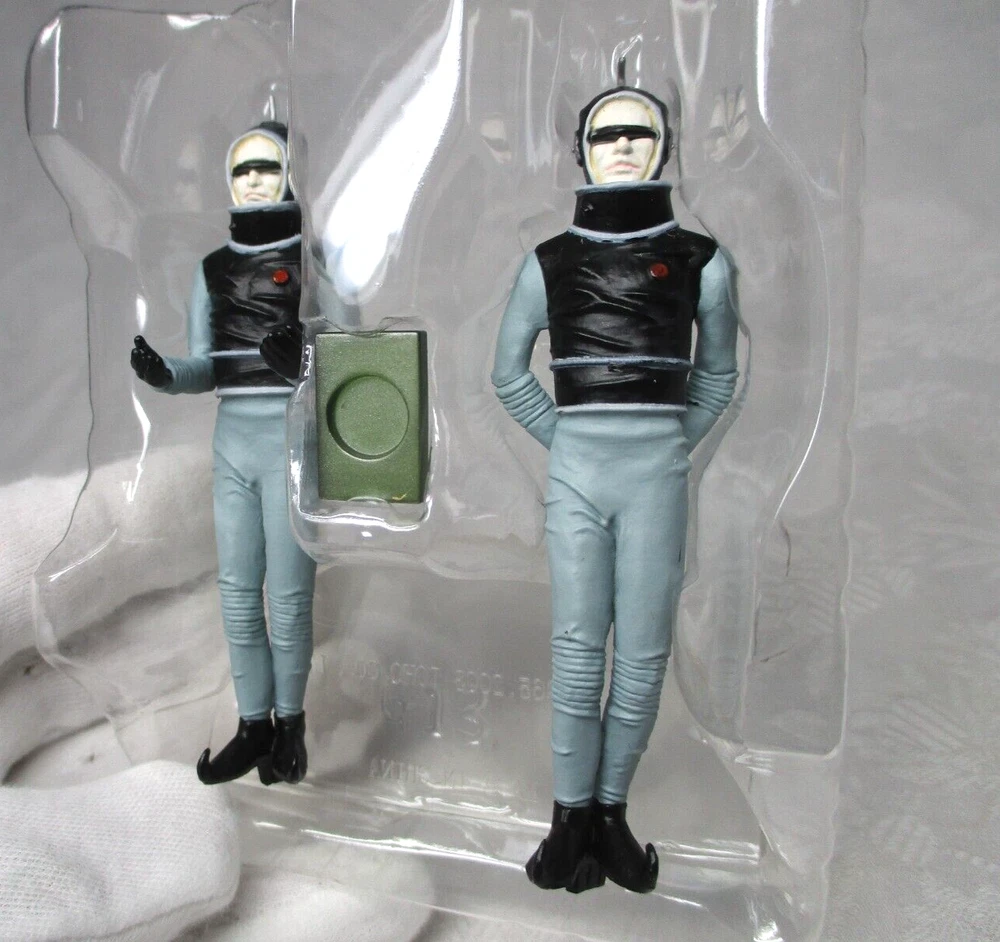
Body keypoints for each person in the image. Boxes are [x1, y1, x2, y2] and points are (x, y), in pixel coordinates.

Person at [492, 75, 739, 893]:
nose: (624, 145)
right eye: (606, 134)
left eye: (639, 132)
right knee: (575, 648)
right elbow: (506, 375)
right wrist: (569, 445)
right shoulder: (548, 263)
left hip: (655, 480)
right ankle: (568, 821)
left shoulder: (703, 262)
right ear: (582, 151)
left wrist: (668, 448)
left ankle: (609, 813)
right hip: (581, 476)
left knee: (641, 652)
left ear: (665, 145)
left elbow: (717, 377)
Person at [131, 121, 315, 786]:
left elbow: (350, 351)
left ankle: (290, 729)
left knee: (288, 600)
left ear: (291, 174)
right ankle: (253, 724)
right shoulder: (211, 270)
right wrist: (164, 375)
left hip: (291, 439)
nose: (255, 180)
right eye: (243, 170)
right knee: (238, 595)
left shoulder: (313, 262)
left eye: (268, 167)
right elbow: (205, 366)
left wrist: (306, 357)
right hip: (234, 440)